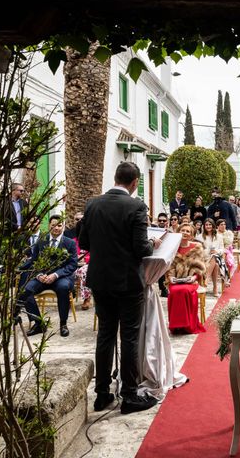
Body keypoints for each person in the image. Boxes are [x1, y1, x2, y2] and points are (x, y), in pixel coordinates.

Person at [78, 161, 161, 414]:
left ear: (114, 178)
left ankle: (102, 394)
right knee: (129, 336)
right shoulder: (136, 206)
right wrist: (152, 243)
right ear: (135, 183)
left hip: (101, 280)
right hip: (127, 282)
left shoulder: (93, 204)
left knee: (105, 335)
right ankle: (129, 395)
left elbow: (83, 242)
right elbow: (140, 248)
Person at [19, 214, 78, 337]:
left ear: (63, 226)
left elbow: (72, 265)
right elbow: (34, 261)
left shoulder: (70, 243)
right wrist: (39, 274)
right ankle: (38, 323)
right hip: (42, 277)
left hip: (61, 277)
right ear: (49, 226)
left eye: (59, 225)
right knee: (25, 290)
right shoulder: (41, 241)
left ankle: (63, 324)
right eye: (53, 225)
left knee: (63, 288)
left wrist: (56, 275)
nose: (56, 228)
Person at [165, 223, 206, 334]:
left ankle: (187, 325)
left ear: (192, 235)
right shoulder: (173, 248)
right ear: (178, 232)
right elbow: (169, 266)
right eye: (182, 230)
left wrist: (194, 277)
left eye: (188, 231)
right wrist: (170, 277)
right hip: (175, 280)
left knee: (185, 290)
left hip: (191, 281)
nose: (185, 233)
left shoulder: (197, 248)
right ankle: (175, 326)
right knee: (174, 291)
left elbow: (200, 267)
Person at [196, 218, 228, 294]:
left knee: (214, 256)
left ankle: (206, 279)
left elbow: (222, 249)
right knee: (216, 265)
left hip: (216, 257)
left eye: (210, 224)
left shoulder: (218, 236)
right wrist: (207, 251)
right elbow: (198, 250)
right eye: (206, 225)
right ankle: (215, 287)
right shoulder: (199, 237)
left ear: (213, 225)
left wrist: (217, 251)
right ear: (204, 226)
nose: (208, 226)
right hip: (204, 258)